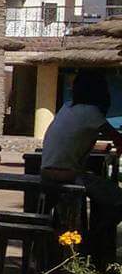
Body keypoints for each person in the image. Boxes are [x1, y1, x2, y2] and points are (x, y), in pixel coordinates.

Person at [41, 72, 122, 262]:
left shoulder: (66, 108)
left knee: (102, 194)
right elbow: (117, 138)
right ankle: (94, 242)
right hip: (66, 174)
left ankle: (92, 240)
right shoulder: (92, 113)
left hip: (47, 171)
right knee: (117, 200)